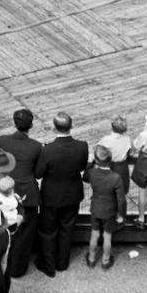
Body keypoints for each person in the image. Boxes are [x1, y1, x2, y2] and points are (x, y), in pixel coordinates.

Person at [34, 112, 90, 278]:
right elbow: (82, 167)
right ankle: (62, 263)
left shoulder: (48, 150)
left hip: (51, 196)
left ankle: (48, 265)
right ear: (71, 126)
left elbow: (38, 174)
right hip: (72, 194)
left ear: (54, 127)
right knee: (67, 229)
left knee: (48, 231)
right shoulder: (82, 146)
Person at [0, 107, 41, 278]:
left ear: (14, 123)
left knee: (6, 228)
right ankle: (19, 268)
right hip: (28, 192)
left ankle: (5, 265)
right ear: (31, 125)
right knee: (26, 233)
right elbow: (37, 172)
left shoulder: (3, 141)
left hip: (8, 190)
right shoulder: (36, 147)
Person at [83, 145, 126, 270]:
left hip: (95, 208)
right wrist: (121, 214)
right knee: (107, 236)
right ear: (110, 160)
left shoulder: (92, 174)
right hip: (110, 211)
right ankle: (105, 261)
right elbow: (121, 199)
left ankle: (91, 259)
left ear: (97, 160)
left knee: (94, 234)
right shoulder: (116, 178)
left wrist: (89, 163)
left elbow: (84, 177)